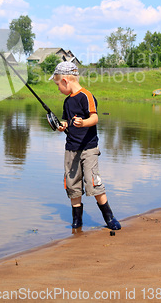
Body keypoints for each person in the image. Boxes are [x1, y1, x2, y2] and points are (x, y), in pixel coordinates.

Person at [49, 61, 121, 231]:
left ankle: (109, 217)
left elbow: (94, 118)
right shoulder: (67, 102)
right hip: (71, 148)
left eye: (58, 84)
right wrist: (64, 126)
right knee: (72, 183)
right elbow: (67, 120)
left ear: (66, 81)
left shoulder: (86, 96)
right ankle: (77, 221)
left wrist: (83, 123)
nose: (58, 88)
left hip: (89, 148)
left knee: (93, 181)